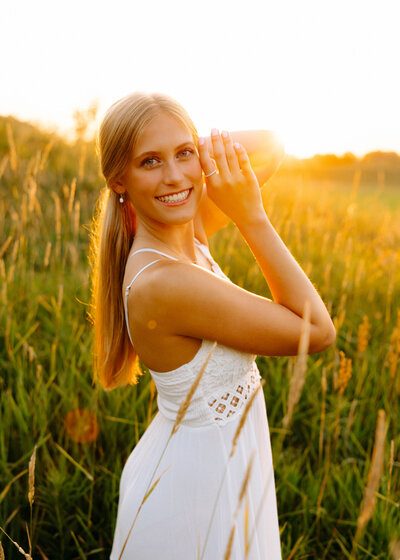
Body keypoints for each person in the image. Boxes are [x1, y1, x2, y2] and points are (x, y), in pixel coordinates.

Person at [90, 92, 336, 559]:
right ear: (119, 179)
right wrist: (252, 217)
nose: (174, 177)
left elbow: (272, 147)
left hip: (218, 465)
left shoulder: (182, 230)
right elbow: (318, 332)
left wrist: (183, 144)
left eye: (184, 155)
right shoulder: (165, 282)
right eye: (149, 162)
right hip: (198, 491)